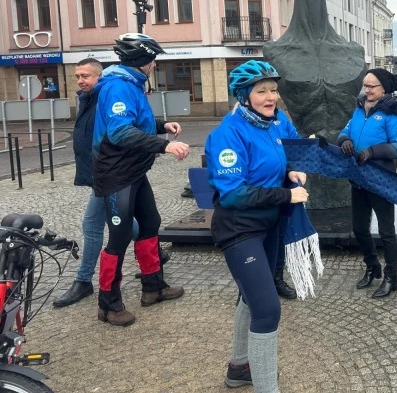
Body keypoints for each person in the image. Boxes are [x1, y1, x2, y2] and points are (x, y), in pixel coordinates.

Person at [205, 60, 308, 391]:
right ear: (244, 96)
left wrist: (293, 168)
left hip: (270, 225)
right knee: (267, 309)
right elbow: (233, 194)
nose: (270, 97)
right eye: (261, 91)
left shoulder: (275, 124)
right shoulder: (228, 133)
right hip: (239, 228)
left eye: (274, 90)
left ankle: (239, 368)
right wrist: (285, 195)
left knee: (250, 298)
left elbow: (295, 147)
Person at [92, 33, 189, 326]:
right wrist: (165, 145)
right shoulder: (118, 87)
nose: (155, 64)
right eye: (152, 59)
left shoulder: (132, 83)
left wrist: (161, 125)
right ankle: (108, 305)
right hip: (116, 172)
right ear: (142, 60)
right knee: (119, 237)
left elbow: (137, 121)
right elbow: (120, 132)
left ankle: (153, 286)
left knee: (150, 223)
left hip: (133, 170)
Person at [338, 68, 397, 298]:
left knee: (386, 231)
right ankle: (372, 266)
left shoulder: (392, 114)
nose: (366, 90)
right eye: (365, 85)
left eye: (371, 86)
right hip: (359, 179)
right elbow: (344, 131)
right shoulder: (360, 109)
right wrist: (345, 141)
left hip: (381, 180)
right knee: (359, 228)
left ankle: (391, 277)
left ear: (384, 89)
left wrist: (372, 151)